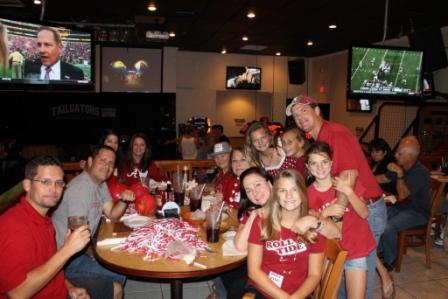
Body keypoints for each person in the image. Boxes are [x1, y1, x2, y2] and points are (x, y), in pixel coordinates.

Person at [286, 95, 386, 299]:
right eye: (295, 115)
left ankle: (385, 279)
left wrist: (334, 219)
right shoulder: (319, 139)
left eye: (304, 111)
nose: (300, 117)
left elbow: (348, 177)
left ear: (316, 111)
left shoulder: (335, 134)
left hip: (365, 207)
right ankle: (387, 278)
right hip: (351, 209)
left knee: (359, 278)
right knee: (339, 273)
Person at [0, 155, 113, 298]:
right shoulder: (12, 226)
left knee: (115, 289)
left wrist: (69, 287)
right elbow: (17, 293)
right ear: (27, 185)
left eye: (59, 183)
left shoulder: (45, 220)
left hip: (59, 289)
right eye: (45, 182)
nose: (54, 189)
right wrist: (67, 250)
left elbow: (50, 266)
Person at [52, 145, 135, 299]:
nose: (107, 166)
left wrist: (124, 200)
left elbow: (112, 215)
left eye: (111, 163)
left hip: (77, 253)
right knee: (119, 275)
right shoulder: (80, 190)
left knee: (120, 267)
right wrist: (96, 254)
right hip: (63, 262)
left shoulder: (100, 184)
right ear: (90, 161)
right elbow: (77, 237)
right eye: (102, 160)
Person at [305, 142, 376, 299]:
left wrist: (348, 191)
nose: (320, 167)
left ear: (331, 163)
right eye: (314, 163)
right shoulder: (307, 194)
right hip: (329, 251)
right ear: (308, 167)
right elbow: (310, 230)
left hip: (355, 248)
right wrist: (324, 213)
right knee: (327, 295)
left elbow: (364, 213)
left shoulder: (346, 182)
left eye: (324, 162)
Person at [246, 169, 325, 298]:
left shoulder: (313, 224)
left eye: (294, 189)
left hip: (298, 294)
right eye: (283, 190)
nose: (289, 196)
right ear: (276, 195)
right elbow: (253, 272)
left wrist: (296, 297)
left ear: (302, 192)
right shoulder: (262, 222)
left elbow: (315, 274)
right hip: (263, 291)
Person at [377, 136, 430, 271]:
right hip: (402, 208)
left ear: (410, 156)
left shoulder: (421, 172)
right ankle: (380, 252)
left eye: (399, 153)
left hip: (418, 213)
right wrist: (361, 176)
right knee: (377, 215)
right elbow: (383, 178)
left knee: (389, 226)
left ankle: (391, 259)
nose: (395, 155)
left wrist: (400, 174)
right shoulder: (402, 165)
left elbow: (403, 195)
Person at [211, 141, 238, 207]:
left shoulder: (235, 175)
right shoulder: (220, 174)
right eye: (216, 157)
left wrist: (222, 201)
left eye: (223, 156)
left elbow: (235, 205)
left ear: (230, 156)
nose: (220, 160)